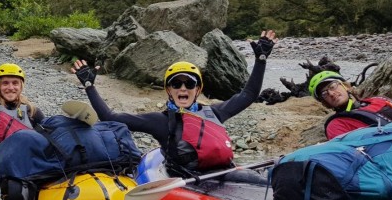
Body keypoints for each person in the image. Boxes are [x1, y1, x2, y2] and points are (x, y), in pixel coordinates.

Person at [71, 30, 278, 177]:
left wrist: (260, 59)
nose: (183, 88)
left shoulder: (215, 112)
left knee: (262, 179)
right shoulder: (159, 122)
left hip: (224, 173)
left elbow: (249, 94)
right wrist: (89, 85)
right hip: (188, 182)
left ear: (198, 90)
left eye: (189, 83)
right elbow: (110, 118)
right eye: (176, 83)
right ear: (168, 90)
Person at [309, 71, 392, 139]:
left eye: (332, 86)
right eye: (324, 94)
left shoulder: (378, 100)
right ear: (325, 102)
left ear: (345, 85)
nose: (331, 93)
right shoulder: (336, 125)